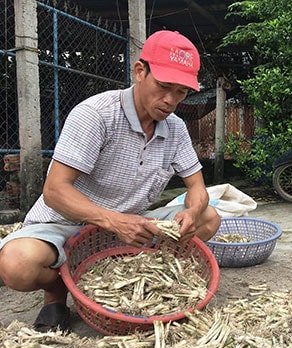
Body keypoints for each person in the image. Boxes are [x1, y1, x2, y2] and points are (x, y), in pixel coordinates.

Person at [0, 30, 221, 331]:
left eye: (181, 92)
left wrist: (191, 213)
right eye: (163, 86)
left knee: (209, 218)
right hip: (66, 224)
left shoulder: (176, 128)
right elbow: (54, 191)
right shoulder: (96, 115)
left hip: (133, 225)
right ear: (140, 71)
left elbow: (197, 187)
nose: (170, 100)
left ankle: (133, 269)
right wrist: (113, 221)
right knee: (17, 264)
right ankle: (55, 295)